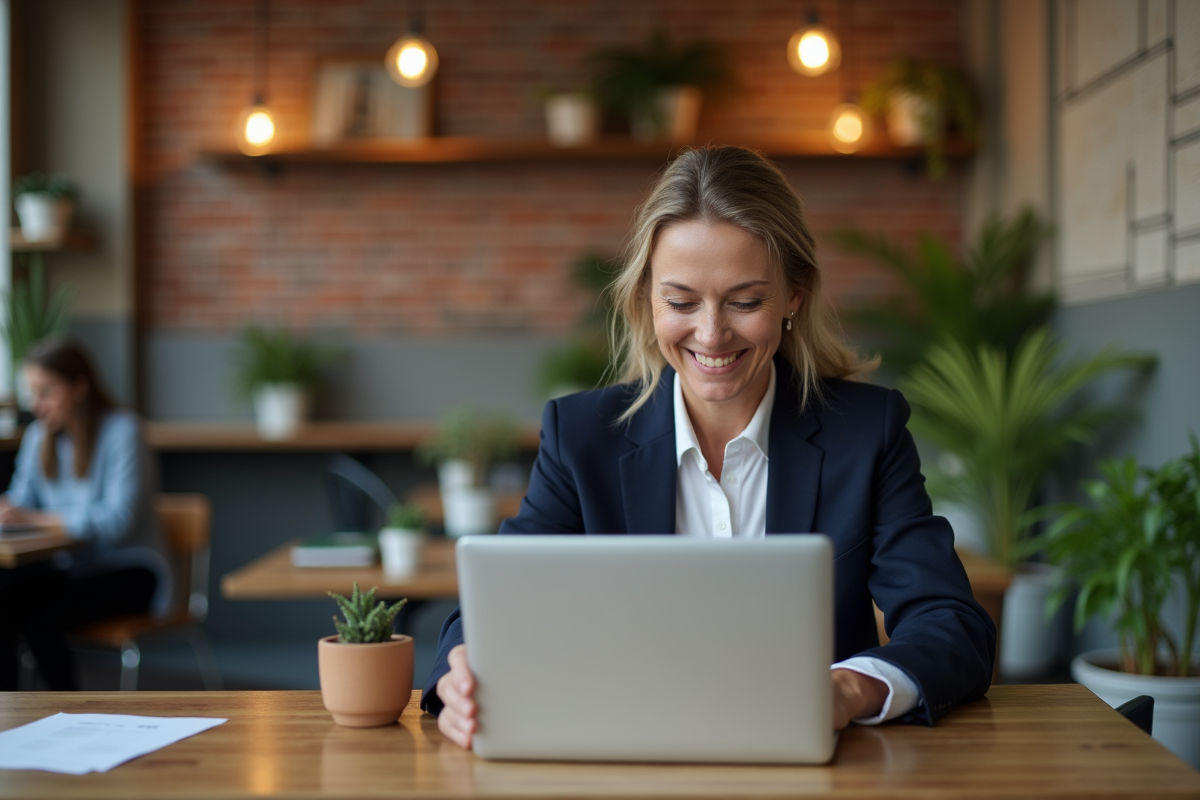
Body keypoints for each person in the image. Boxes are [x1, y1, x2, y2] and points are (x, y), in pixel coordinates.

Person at [423, 145, 996, 749]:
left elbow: (952, 624)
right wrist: (461, 673)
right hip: (625, 757)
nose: (711, 333)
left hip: (814, 768)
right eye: (681, 302)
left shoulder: (867, 432)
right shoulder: (581, 436)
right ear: (647, 296)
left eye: (745, 302)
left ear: (794, 295)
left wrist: (849, 690)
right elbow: (494, 606)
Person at [0, 339, 169, 690]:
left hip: (132, 569)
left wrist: (36, 518)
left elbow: (117, 520)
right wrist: (10, 512)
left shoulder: (123, 432)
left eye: (47, 392)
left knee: (39, 619)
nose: (37, 404)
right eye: (33, 392)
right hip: (72, 568)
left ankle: (69, 710)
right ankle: (9, 716)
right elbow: (19, 501)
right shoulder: (38, 437)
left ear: (79, 387)